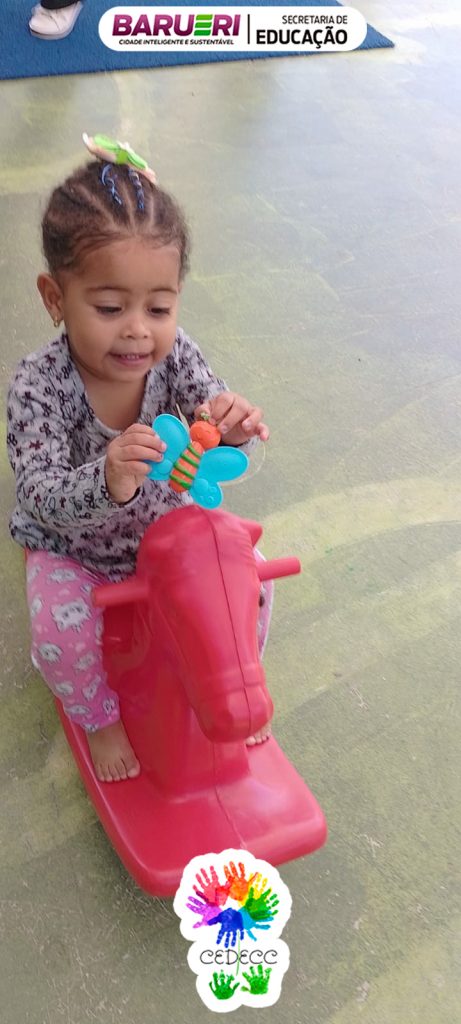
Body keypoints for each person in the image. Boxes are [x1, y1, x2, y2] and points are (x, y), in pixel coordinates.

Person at [6, 135, 273, 784]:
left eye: (159, 307)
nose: (137, 329)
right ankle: (98, 718)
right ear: (54, 298)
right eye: (109, 307)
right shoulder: (36, 386)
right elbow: (39, 496)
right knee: (58, 633)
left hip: (170, 535)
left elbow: (211, 418)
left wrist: (231, 425)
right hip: (78, 551)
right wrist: (107, 478)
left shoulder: (175, 353)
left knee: (253, 581)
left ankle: (233, 682)